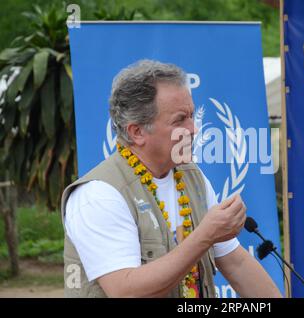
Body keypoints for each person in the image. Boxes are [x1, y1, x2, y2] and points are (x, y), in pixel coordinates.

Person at [61, 59, 282, 298]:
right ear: (137, 132)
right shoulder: (99, 194)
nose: (193, 129)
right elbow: (126, 292)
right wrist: (205, 235)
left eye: (191, 116)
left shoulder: (193, 178)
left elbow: (236, 264)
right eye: (180, 120)